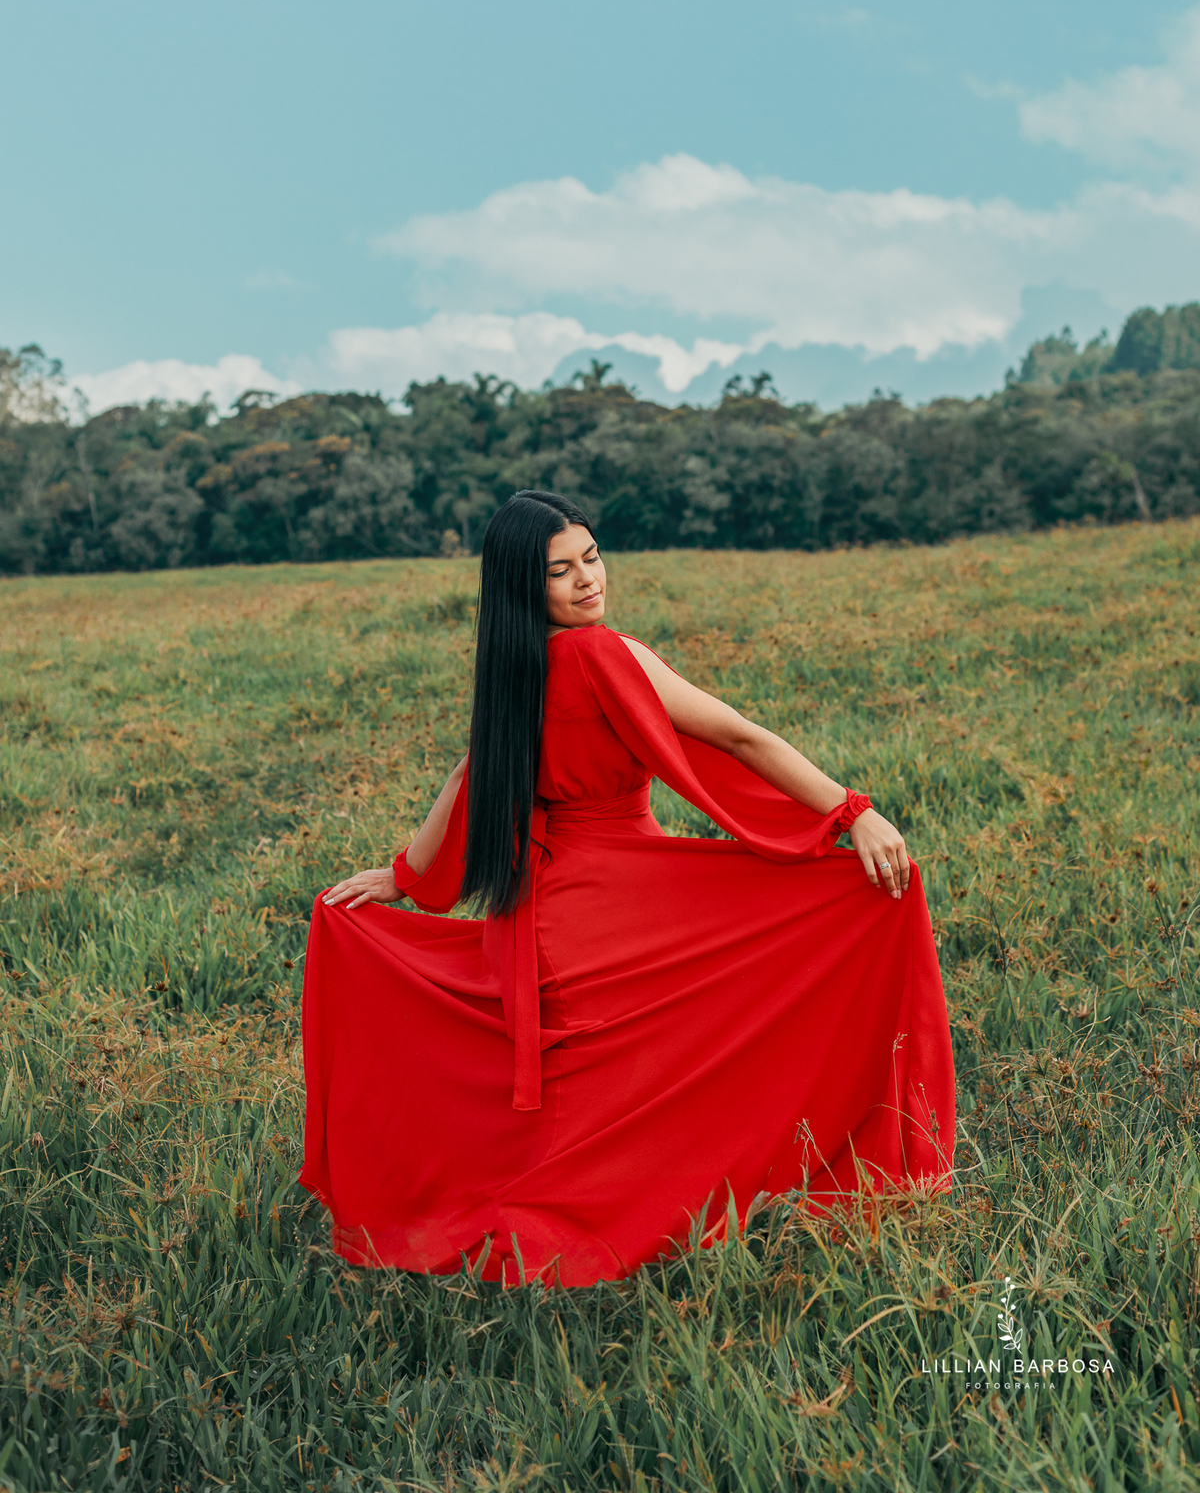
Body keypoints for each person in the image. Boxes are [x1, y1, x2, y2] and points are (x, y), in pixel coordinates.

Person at [301, 491, 954, 1288]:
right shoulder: (601, 654)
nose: (587, 581)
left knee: (618, 1079)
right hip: (624, 900)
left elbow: (471, 772)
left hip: (542, 918)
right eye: (560, 570)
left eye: (592, 557)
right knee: (817, 938)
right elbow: (737, 734)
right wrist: (852, 812)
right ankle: (665, 1192)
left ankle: (574, 1192)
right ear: (523, 585)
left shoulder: (513, 666)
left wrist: (406, 875)